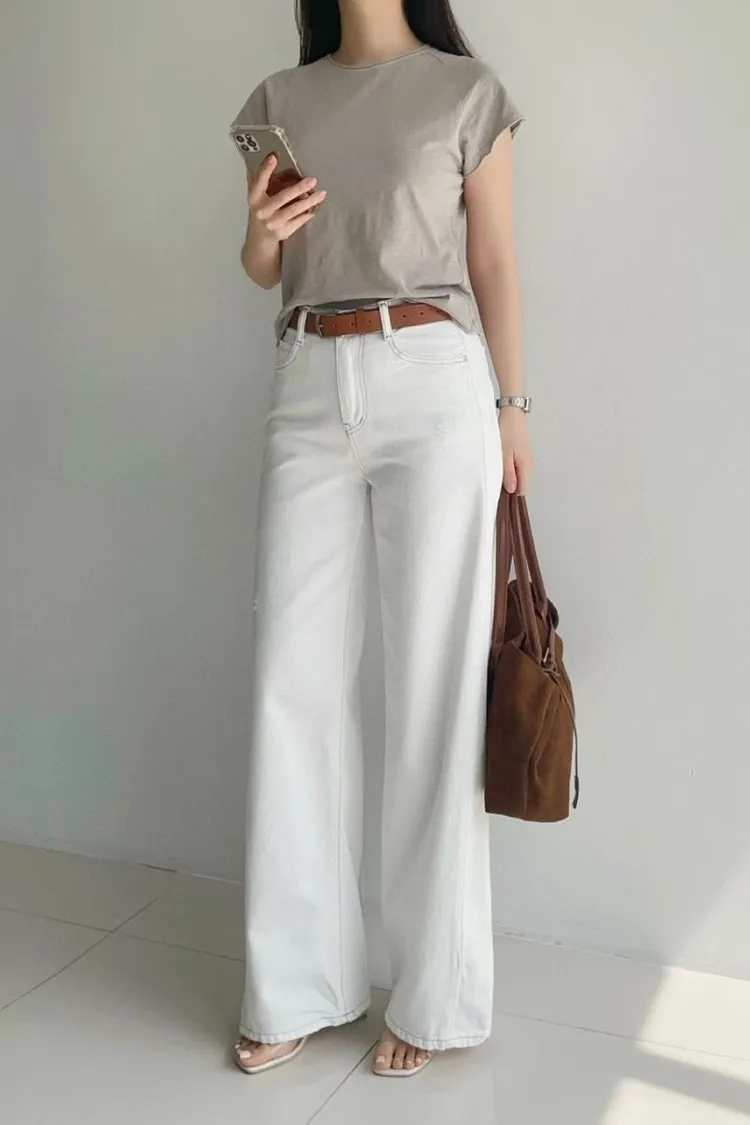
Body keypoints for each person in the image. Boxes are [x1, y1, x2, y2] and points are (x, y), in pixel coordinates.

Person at [231, 0, 533, 1078]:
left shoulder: (466, 91)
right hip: (309, 378)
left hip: (434, 380)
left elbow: (493, 259)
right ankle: (294, 982)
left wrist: (514, 407)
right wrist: (261, 234)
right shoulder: (282, 99)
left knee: (434, 693)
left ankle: (433, 993)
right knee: (292, 683)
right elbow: (265, 266)